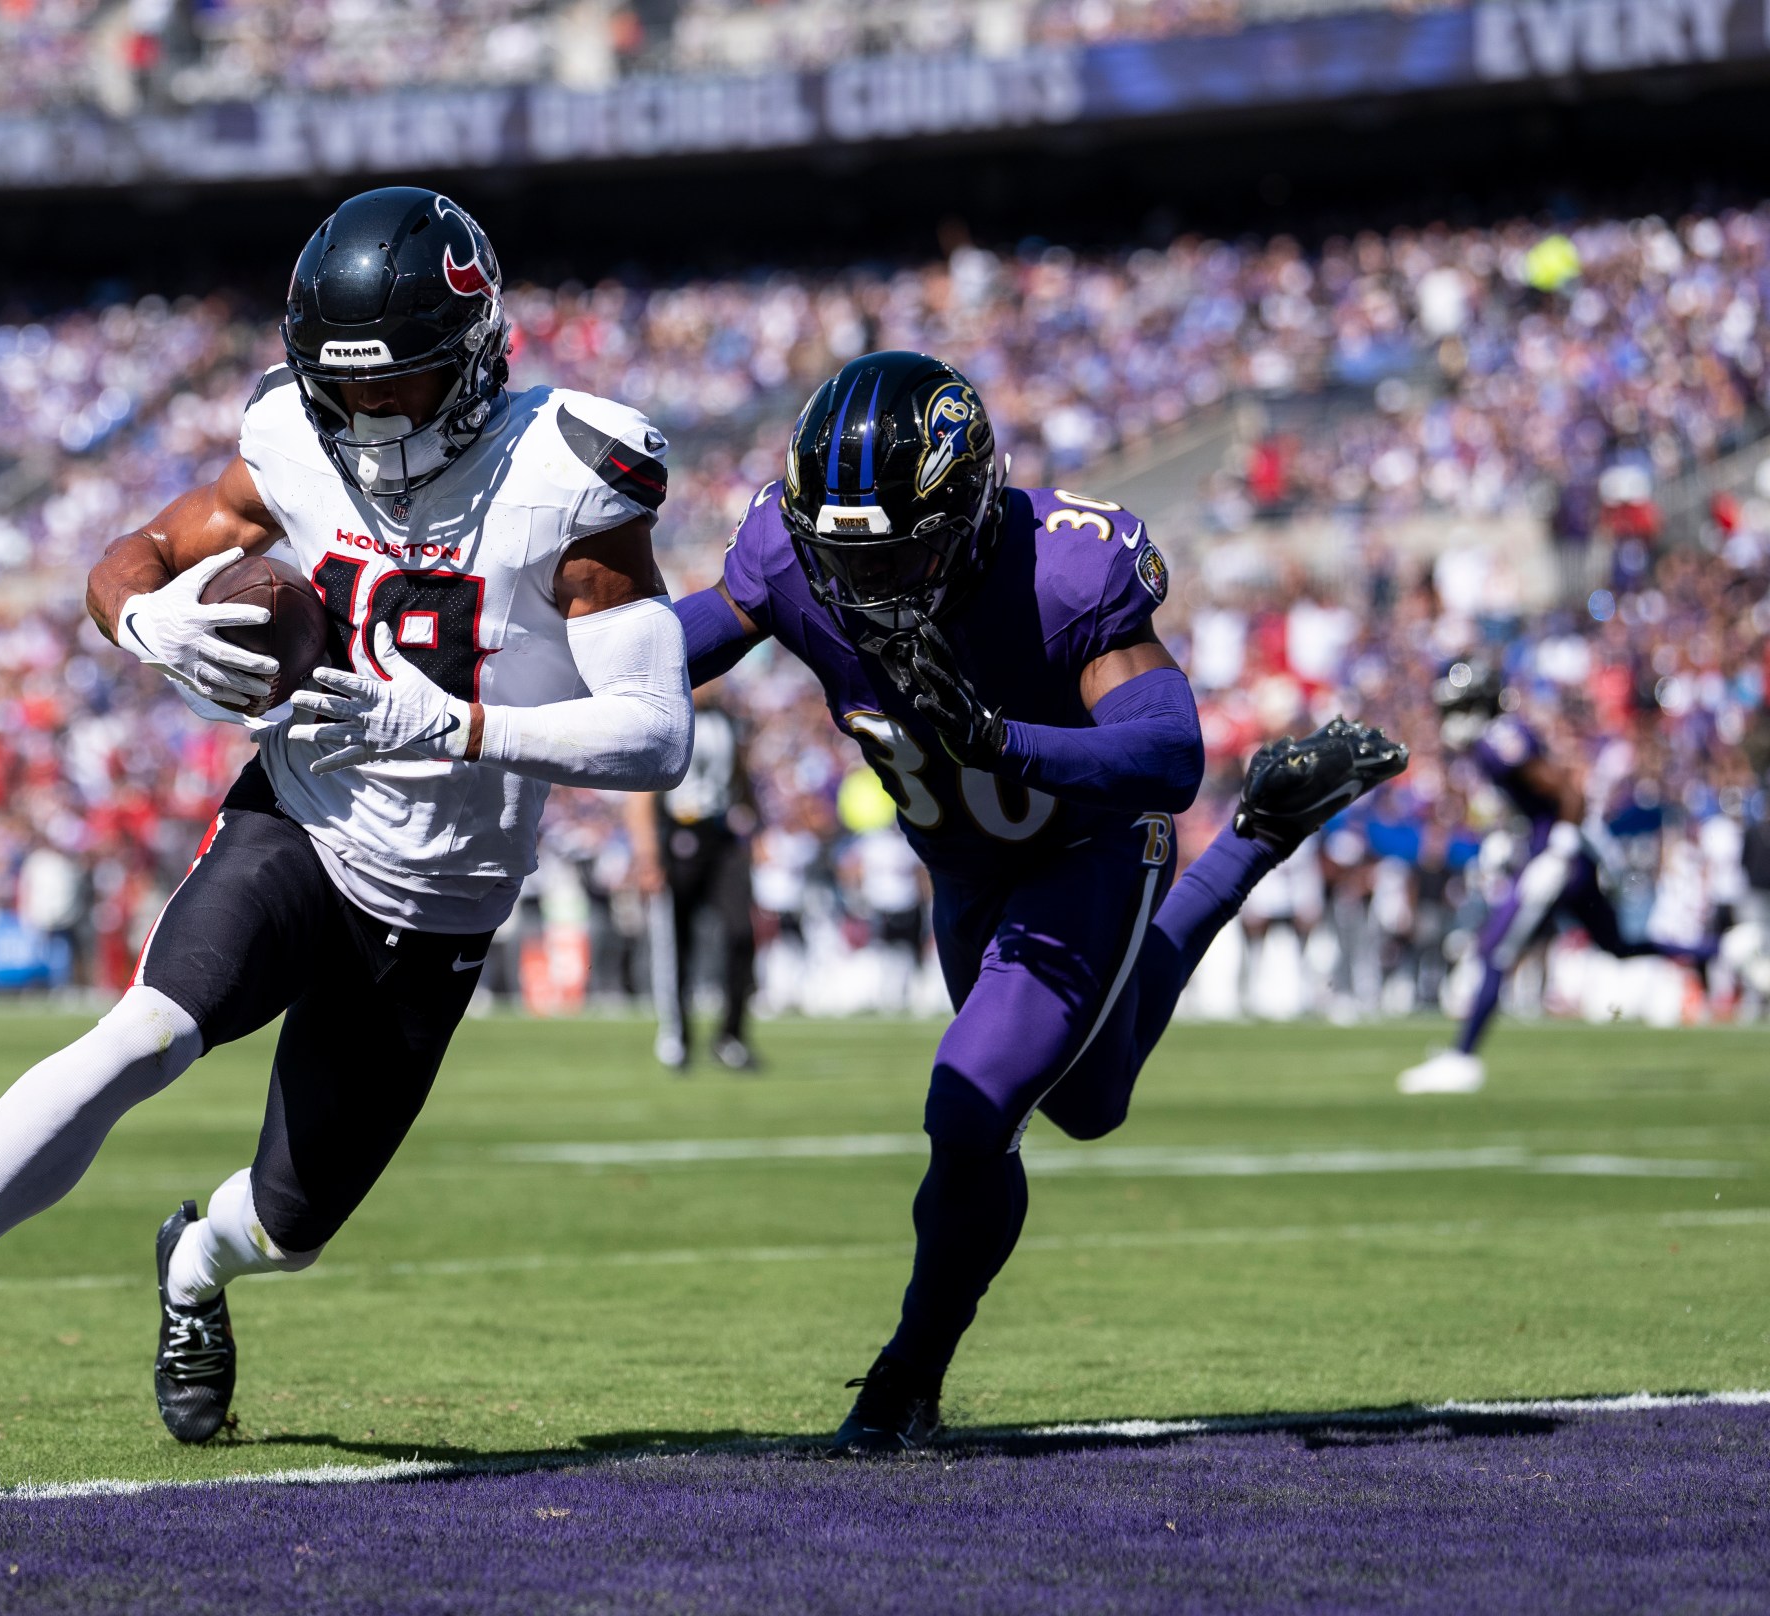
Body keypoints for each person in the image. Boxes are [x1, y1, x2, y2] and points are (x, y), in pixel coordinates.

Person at [0, 187, 694, 1443]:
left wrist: (454, 724)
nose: (367, 415)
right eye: (344, 387)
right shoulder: (294, 439)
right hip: (297, 819)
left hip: (442, 896)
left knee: (287, 1226)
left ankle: (194, 1261)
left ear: (474, 353)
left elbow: (655, 734)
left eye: (398, 385)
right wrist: (150, 621)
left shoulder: (565, 473)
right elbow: (133, 548)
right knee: (143, 1031)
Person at [672, 350, 1408, 1453]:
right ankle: (1261, 838)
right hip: (964, 870)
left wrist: (996, 737)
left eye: (902, 552)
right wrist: (535, 687)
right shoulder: (787, 547)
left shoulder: (1065, 568)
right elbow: (685, 640)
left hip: (1089, 845)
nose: (867, 584)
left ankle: (904, 1378)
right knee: (1086, 1101)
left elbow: (1167, 753)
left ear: (965, 514)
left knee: (973, 1104)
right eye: (843, 555)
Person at [1395, 663, 1764, 1094]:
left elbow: (1565, 789)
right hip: (1563, 856)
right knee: (1618, 945)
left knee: (1494, 950)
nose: (1449, 720)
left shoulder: (1498, 743)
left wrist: (1560, 846)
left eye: (1456, 708)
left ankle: (1463, 1059)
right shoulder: (1498, 738)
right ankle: (1726, 948)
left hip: (1559, 860)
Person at [627, 689, 759, 1070]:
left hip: (720, 836)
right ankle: (677, 1033)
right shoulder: (667, 718)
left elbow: (741, 775)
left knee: (740, 933)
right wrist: (648, 856)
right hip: (679, 834)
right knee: (676, 942)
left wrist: (756, 823)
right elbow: (642, 793)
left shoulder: (727, 720)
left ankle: (731, 1035)